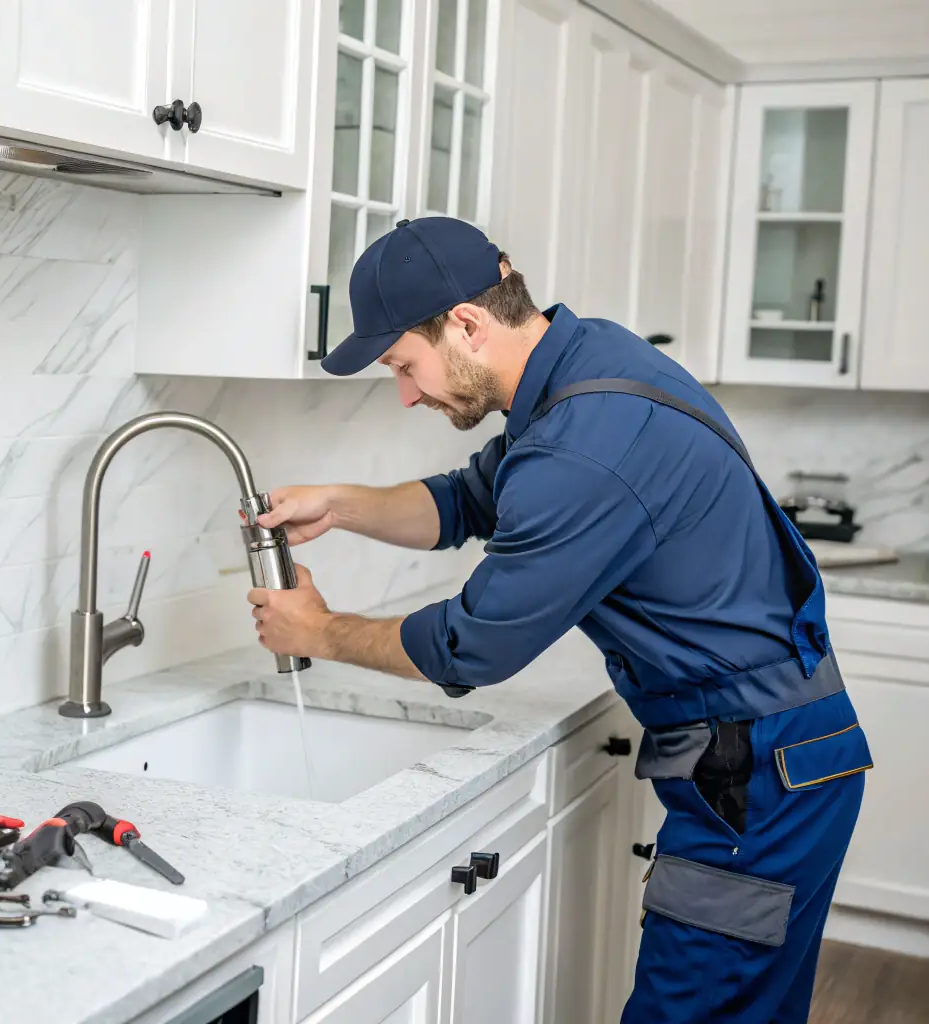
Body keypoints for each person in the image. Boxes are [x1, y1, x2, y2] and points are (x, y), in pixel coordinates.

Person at [248, 216, 870, 1023]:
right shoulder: (583, 361)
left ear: (465, 325)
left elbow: (471, 645)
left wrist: (317, 632)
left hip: (757, 774)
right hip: (783, 757)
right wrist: (338, 504)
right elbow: (466, 499)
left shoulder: (586, 447)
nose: (404, 393)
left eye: (403, 364)